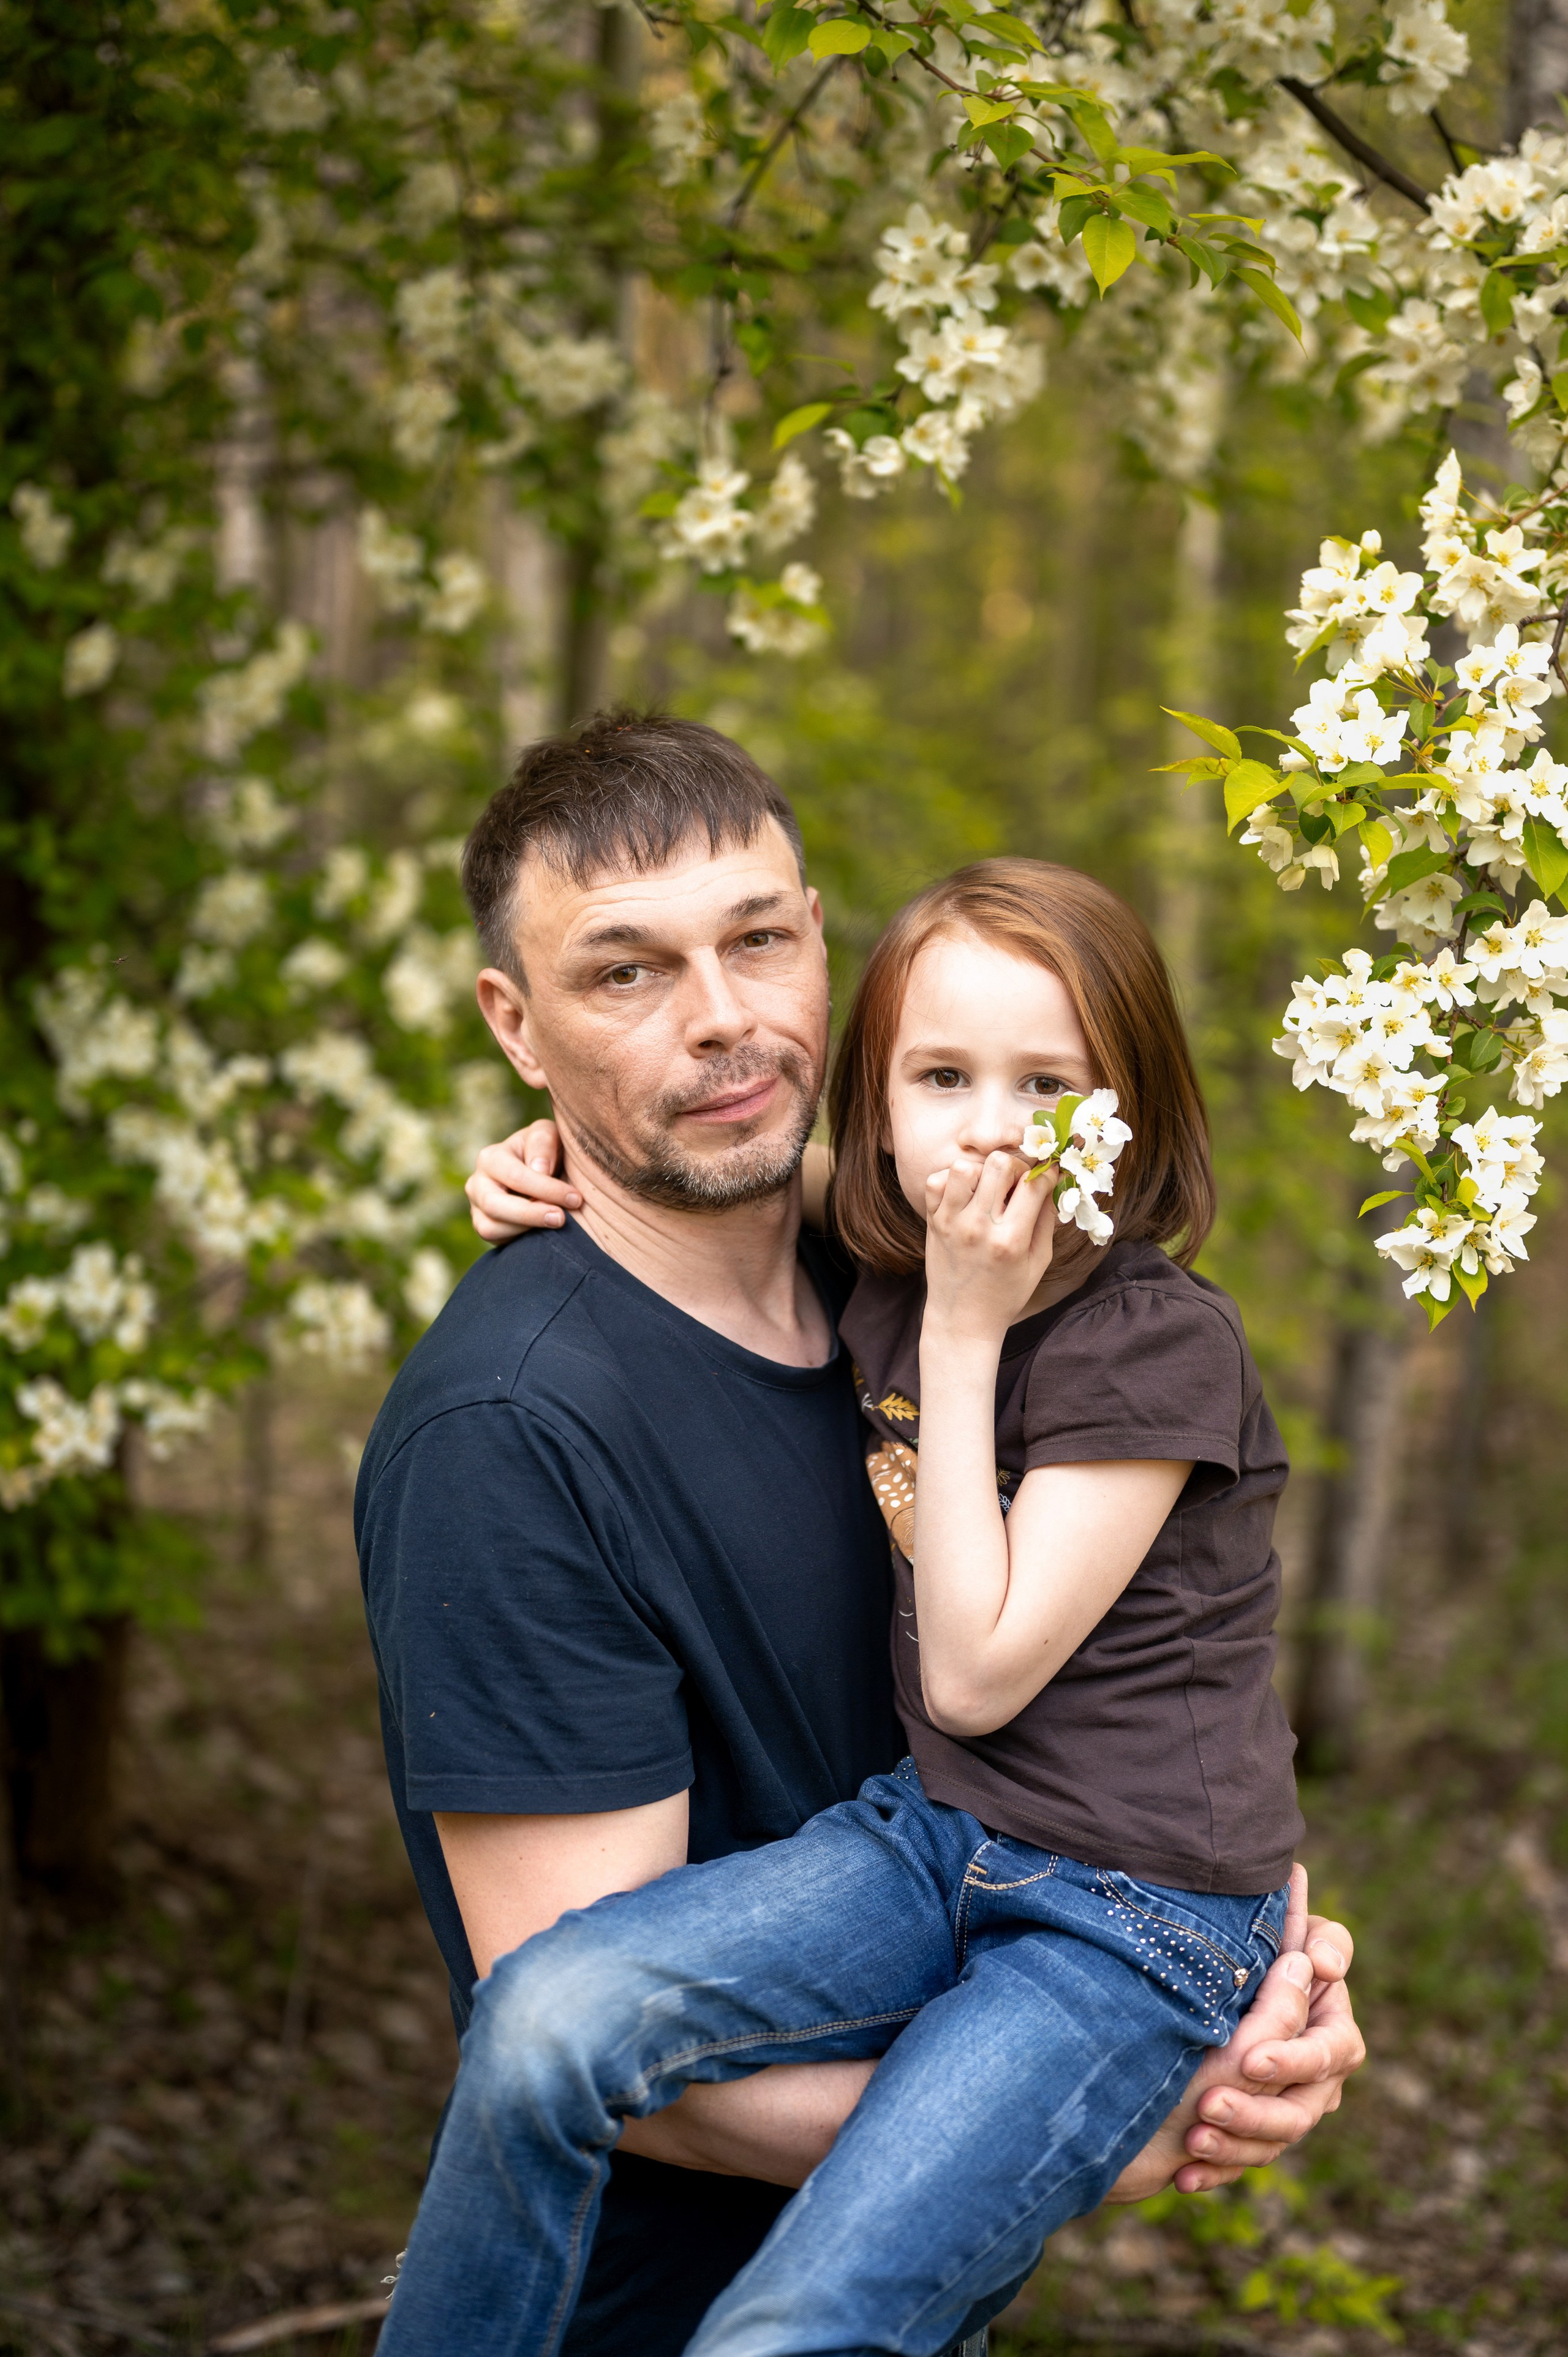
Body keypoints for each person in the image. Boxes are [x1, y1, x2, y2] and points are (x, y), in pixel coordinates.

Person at [357, 714, 1365, 2357]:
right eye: (624, 974)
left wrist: (1266, 2003)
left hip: (1100, 1915)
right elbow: (628, 2068)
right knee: (550, 2024)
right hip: (694, 2209)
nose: (723, 1020)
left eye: (757, 940)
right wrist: (1093, 2141)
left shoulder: (903, 1272)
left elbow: (1138, 1690)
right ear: (515, 1022)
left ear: (820, 949)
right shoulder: (511, 1428)